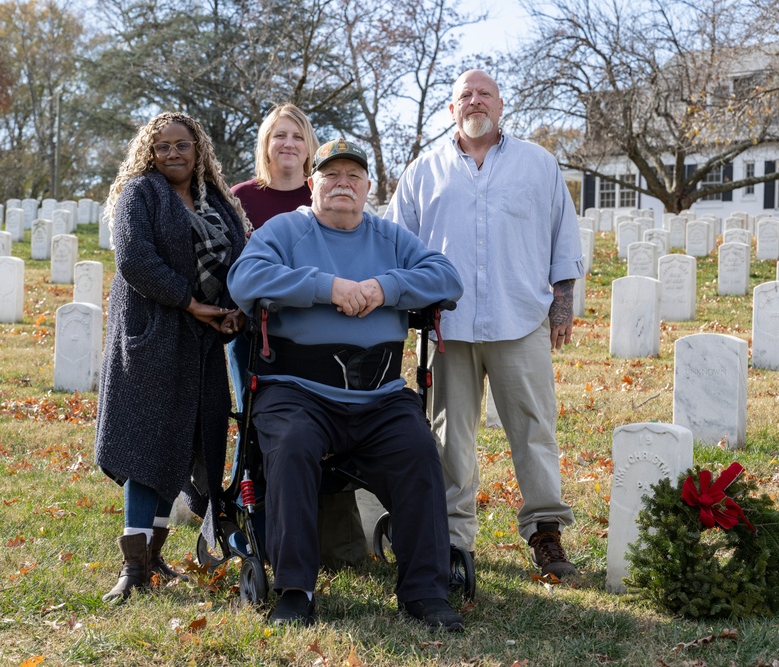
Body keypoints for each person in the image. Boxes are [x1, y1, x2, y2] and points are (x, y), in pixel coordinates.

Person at [228, 139, 465, 629]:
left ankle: (425, 591)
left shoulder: (390, 237)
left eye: (353, 177)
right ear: (312, 185)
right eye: (331, 175)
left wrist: (385, 289)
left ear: (367, 187)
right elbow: (245, 278)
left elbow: (446, 277)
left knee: (420, 450)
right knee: (291, 446)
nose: (342, 184)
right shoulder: (287, 229)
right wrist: (326, 287)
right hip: (297, 388)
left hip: (378, 393)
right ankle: (295, 589)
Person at [386, 69, 585, 580]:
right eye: (464, 96)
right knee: (451, 438)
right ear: (451, 110)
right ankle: (454, 542)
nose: (475, 101)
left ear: (501, 105)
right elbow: (393, 246)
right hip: (447, 328)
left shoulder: (537, 164)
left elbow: (563, 236)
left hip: (520, 319)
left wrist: (561, 304)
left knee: (535, 430)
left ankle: (546, 533)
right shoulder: (422, 172)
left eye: (484, 93)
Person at [95, 112, 248, 604]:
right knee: (145, 445)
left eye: (182, 145)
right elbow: (134, 258)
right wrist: (190, 301)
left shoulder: (220, 202)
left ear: (198, 149)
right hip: (152, 335)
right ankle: (132, 566)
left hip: (201, 340)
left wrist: (231, 310)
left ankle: (154, 556)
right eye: (162, 147)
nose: (173, 154)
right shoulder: (140, 193)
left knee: (181, 444)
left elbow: (240, 260)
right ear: (150, 152)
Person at [228, 104, 368, 568]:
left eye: (297, 136)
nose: (287, 144)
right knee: (255, 431)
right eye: (278, 135)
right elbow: (235, 271)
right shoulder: (238, 199)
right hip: (253, 334)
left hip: (322, 337)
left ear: (310, 150)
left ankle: (334, 536)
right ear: (265, 145)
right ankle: (254, 527)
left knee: (321, 432)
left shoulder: (326, 200)